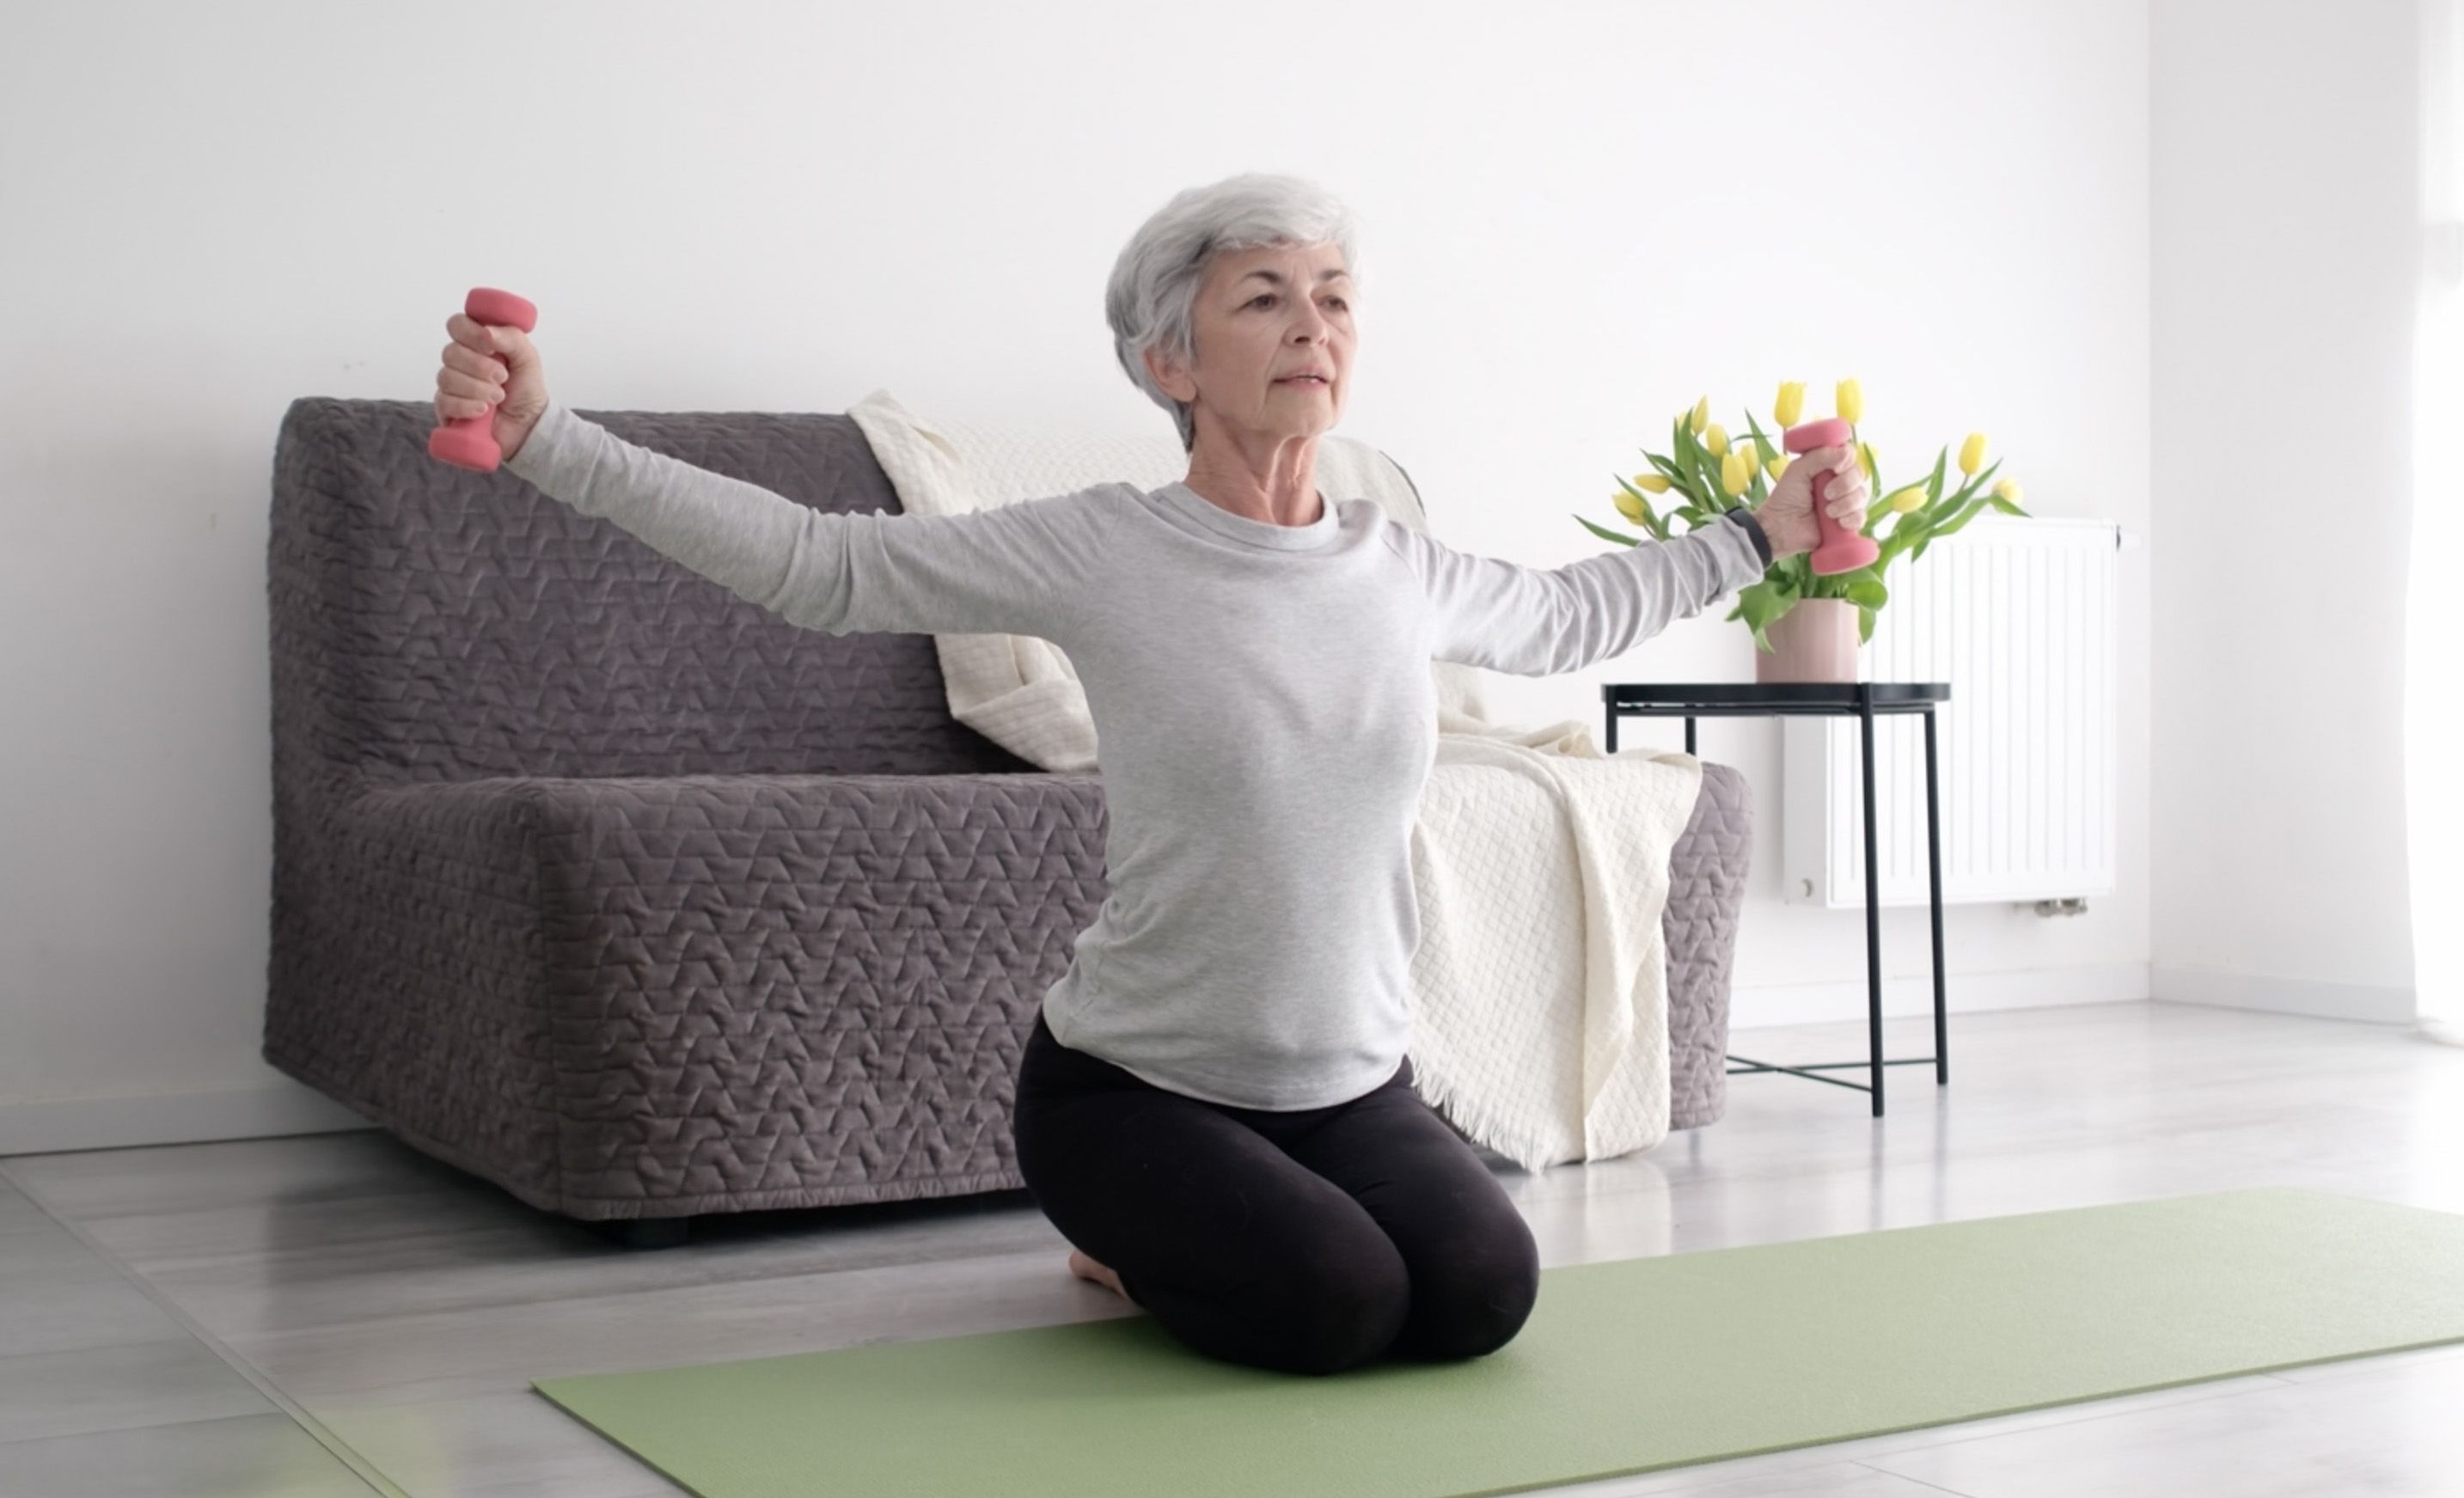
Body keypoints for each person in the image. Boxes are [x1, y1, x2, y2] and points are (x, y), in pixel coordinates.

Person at [431, 172, 1869, 1378]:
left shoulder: (1391, 564)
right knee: (1337, 1308)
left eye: (1334, 297)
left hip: (1353, 1085)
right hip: (1134, 1089)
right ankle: (1116, 1235)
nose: (1313, 324)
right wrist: (556, 444)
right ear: (1168, 363)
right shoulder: (1104, 548)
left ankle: (1242, 1219)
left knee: (1482, 1298)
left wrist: (1756, 537)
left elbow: (1570, 614)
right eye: (1264, 297)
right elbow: (826, 567)